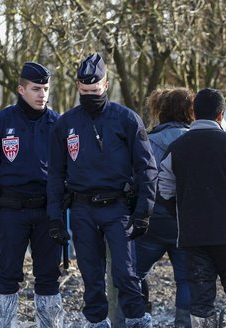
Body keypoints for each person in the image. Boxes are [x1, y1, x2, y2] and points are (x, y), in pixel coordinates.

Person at [46, 53, 157, 328]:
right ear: (77, 87)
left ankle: (136, 320)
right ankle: (96, 322)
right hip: (82, 208)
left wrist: (144, 211)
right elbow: (55, 175)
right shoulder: (66, 124)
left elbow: (147, 169)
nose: (89, 95)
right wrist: (55, 217)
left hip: (117, 206)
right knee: (91, 275)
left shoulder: (126, 120)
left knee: (125, 273)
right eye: (84, 91)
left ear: (105, 86)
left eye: (94, 91)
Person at [0, 62, 63, 327]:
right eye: (36, 89)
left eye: (46, 89)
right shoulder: (0, 123)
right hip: (11, 209)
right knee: (8, 276)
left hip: (48, 210)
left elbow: (71, 167)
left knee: (48, 277)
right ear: (21, 89)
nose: (42, 94)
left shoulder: (58, 124)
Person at [157, 88, 226, 327]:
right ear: (221, 115)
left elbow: (164, 191)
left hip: (192, 234)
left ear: (194, 113)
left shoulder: (177, 147)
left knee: (201, 298)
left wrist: (181, 213)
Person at [135, 87, 195, 328]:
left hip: (154, 221)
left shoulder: (149, 141)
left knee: (133, 275)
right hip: (187, 223)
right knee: (186, 280)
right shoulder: (198, 140)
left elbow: (140, 180)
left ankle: (138, 317)